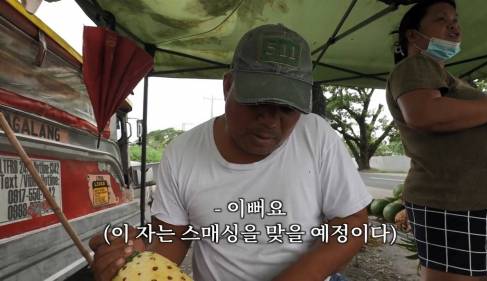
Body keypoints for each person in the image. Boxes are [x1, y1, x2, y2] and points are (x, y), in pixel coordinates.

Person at [90, 24, 372, 281]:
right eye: (257, 103)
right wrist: (133, 263)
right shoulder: (181, 154)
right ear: (228, 86)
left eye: (286, 108)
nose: (271, 121)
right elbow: (172, 237)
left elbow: (352, 223)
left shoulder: (317, 136)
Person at [386, 1, 487, 280]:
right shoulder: (414, 66)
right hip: (454, 201)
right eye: (441, 19)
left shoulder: (446, 76)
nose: (454, 25)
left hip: (479, 198)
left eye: (455, 19)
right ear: (413, 35)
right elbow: (426, 113)